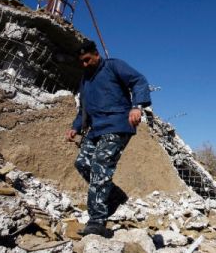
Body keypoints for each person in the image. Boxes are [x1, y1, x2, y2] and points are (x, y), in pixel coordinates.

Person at [65, 40, 151, 237]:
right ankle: (114, 194)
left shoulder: (114, 66)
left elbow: (139, 81)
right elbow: (83, 109)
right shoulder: (85, 80)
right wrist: (75, 127)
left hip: (117, 125)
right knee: (82, 163)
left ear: (96, 54)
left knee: (100, 165)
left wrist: (137, 106)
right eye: (81, 62)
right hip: (95, 130)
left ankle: (97, 220)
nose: (84, 65)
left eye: (87, 60)